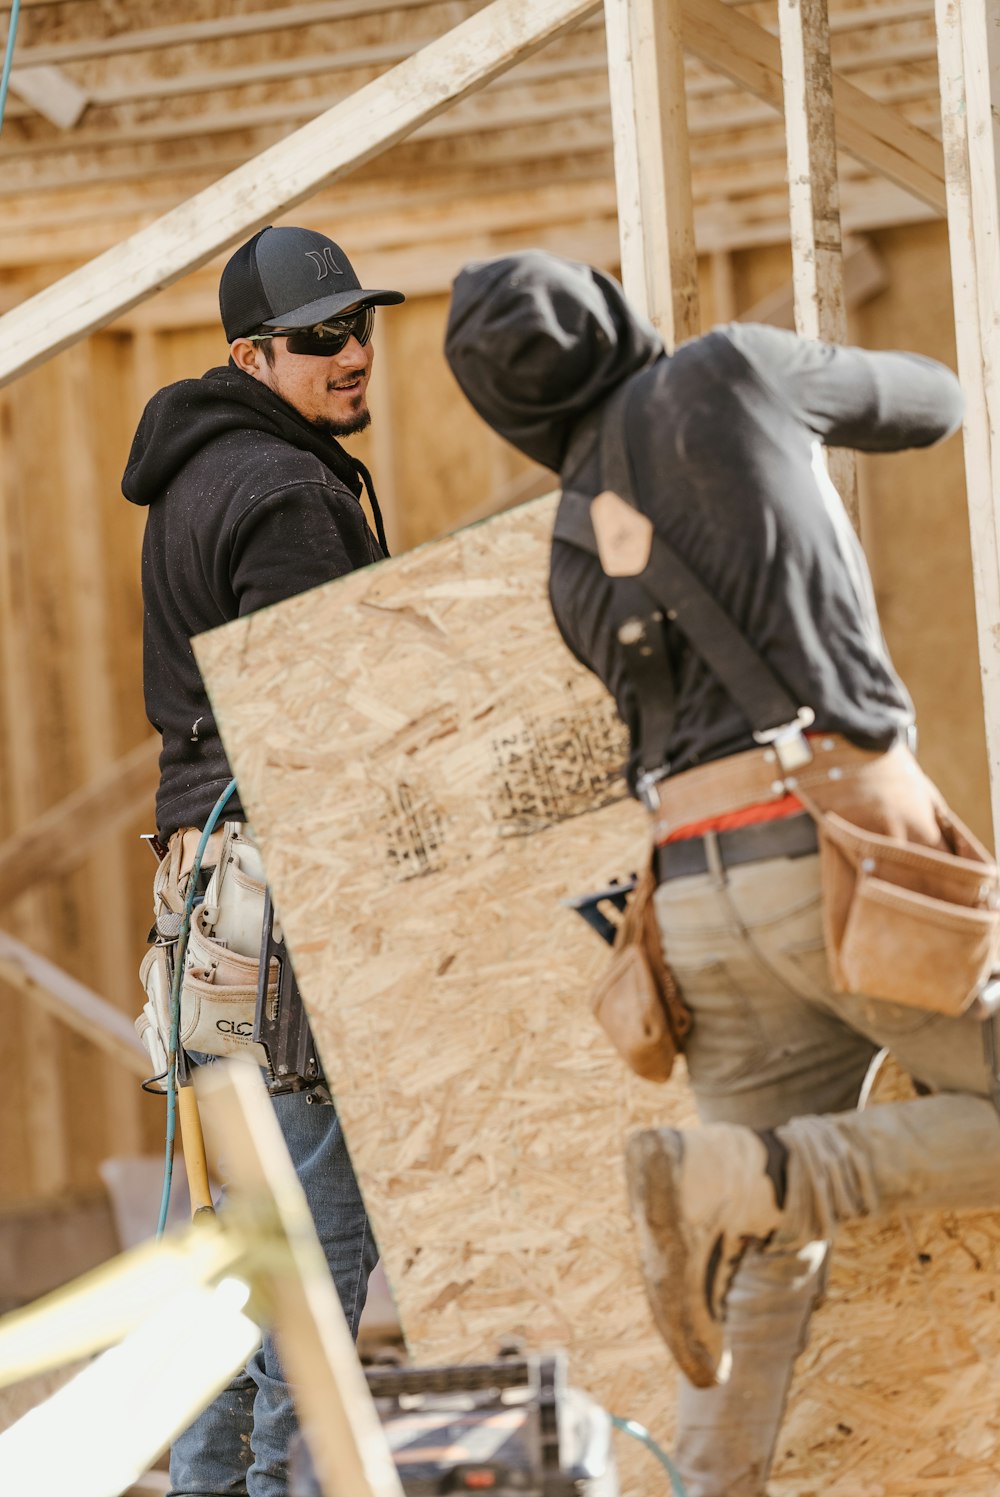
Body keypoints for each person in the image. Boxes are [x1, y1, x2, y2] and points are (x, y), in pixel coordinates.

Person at [444, 249, 1000, 1497]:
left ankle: (710, 1476)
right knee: (785, 1185)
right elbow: (935, 400)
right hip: (839, 849)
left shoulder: (568, 550)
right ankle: (791, 1171)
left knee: (762, 1259)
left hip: (689, 898)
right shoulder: (732, 372)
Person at [122, 224, 405, 1497]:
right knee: (310, 1256)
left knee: (239, 1249)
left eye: (360, 326)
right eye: (322, 339)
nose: (353, 354)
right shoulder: (289, 496)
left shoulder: (197, 476)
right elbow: (332, 733)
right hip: (287, 902)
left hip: (206, 898)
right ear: (254, 353)